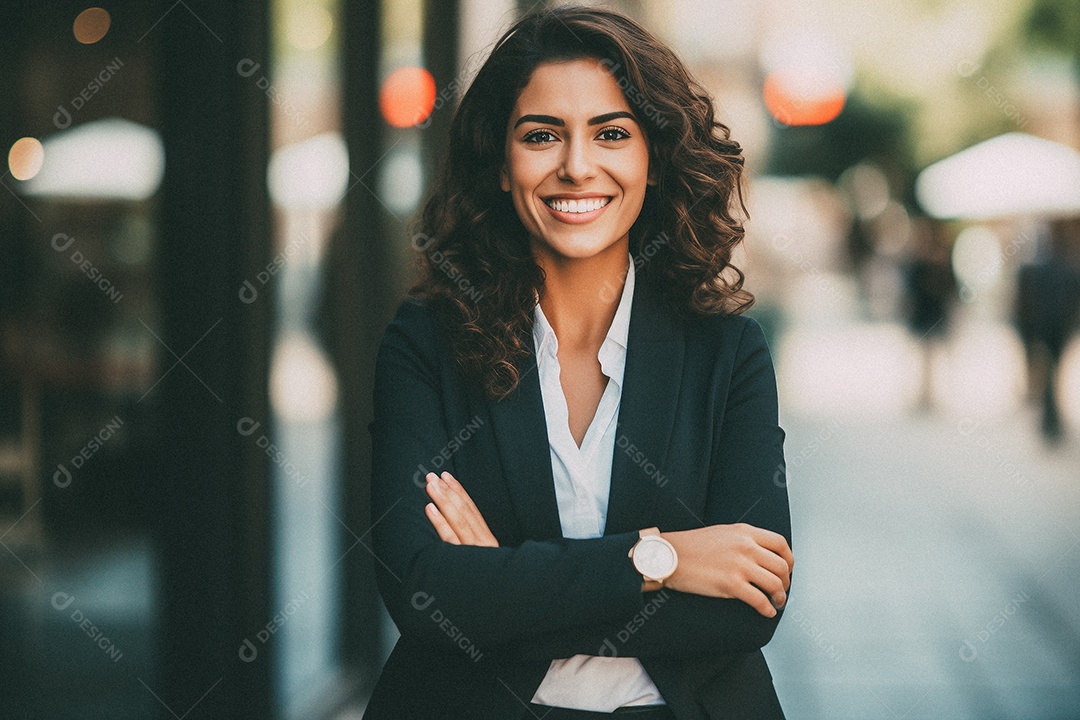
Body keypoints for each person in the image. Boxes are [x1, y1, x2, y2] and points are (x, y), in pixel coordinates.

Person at [366, 7, 793, 719]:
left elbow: (747, 609)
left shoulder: (727, 353)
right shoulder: (428, 343)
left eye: (611, 133)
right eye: (541, 135)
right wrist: (663, 559)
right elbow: (423, 594)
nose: (576, 166)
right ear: (501, 166)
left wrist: (501, 588)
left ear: (653, 159)